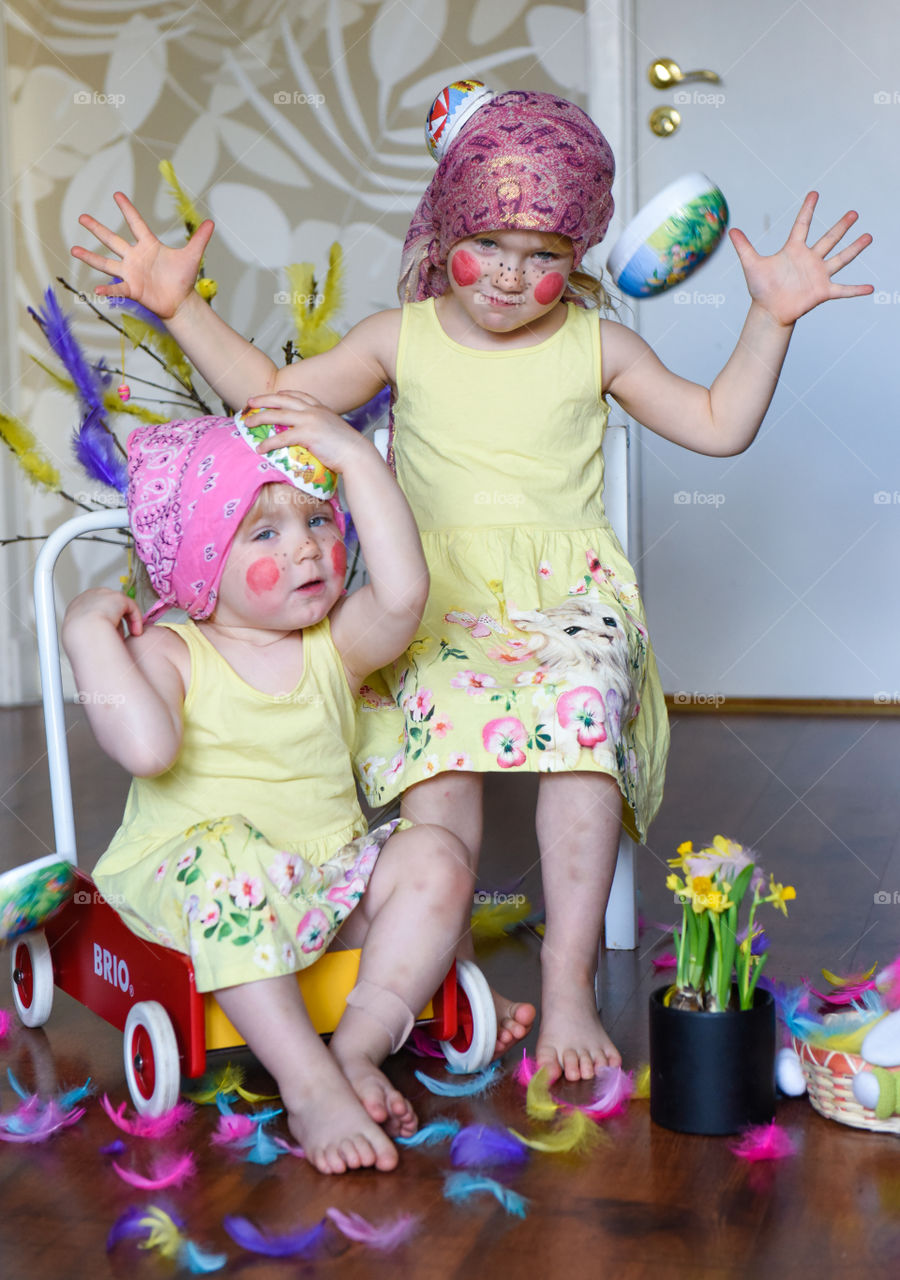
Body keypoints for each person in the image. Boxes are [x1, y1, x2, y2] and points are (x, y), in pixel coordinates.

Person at [72, 88, 873, 1085]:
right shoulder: (398, 336)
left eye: (546, 254)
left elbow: (716, 422)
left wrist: (769, 319)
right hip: (431, 594)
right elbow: (271, 402)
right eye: (490, 242)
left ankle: (569, 976)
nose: (512, 274)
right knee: (440, 751)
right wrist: (178, 304)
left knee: (581, 721)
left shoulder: (597, 343)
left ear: (579, 254)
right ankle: (428, 972)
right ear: (446, 225)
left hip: (566, 603)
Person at [62, 406, 474, 1174]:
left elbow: (407, 592)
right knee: (230, 866)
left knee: (439, 856)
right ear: (197, 564)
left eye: (319, 519)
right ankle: (308, 1081)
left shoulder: (336, 644)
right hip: (197, 884)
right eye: (264, 533)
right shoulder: (171, 650)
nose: (306, 548)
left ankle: (355, 1046)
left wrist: (355, 458)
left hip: (322, 875)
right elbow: (147, 749)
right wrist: (89, 636)